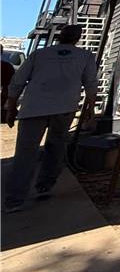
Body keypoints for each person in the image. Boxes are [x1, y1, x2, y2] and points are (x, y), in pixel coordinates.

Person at [3, 25, 98, 212]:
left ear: (59, 37)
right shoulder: (85, 56)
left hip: (34, 107)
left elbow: (18, 81)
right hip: (64, 107)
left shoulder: (40, 54)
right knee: (56, 147)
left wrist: (11, 107)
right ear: (77, 38)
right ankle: (44, 185)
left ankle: (15, 199)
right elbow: (91, 84)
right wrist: (90, 109)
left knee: (25, 153)